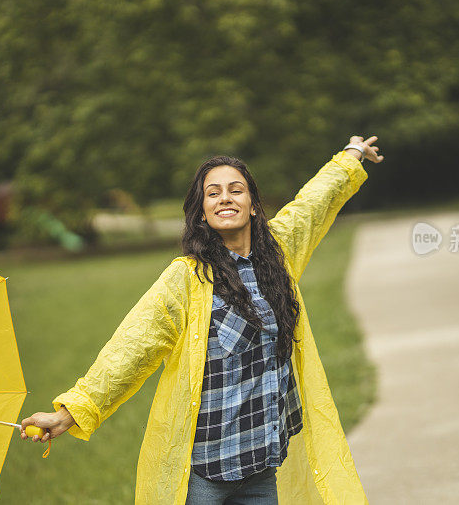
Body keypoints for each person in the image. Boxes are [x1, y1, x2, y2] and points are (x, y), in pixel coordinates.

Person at [21, 135, 383, 504]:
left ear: (254, 205)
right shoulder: (187, 279)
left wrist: (352, 154)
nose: (225, 197)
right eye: (213, 193)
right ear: (202, 212)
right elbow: (130, 348)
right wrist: (71, 412)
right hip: (204, 477)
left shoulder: (278, 252)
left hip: (261, 468)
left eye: (236, 190)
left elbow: (312, 204)